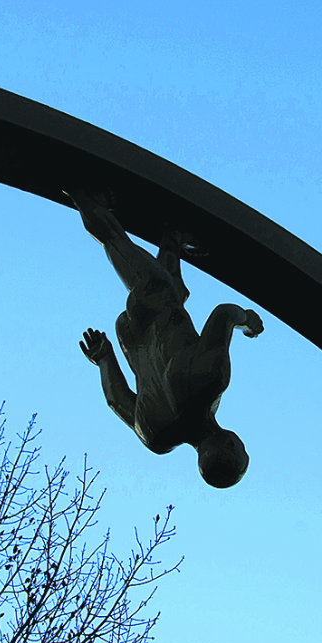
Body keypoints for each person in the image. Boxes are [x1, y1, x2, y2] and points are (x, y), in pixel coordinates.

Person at [64, 189, 262, 488]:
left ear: (233, 445)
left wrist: (248, 319)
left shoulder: (210, 381)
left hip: (155, 303)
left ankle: (81, 192)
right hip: (133, 336)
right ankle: (172, 237)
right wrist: (105, 358)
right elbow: (117, 401)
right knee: (177, 294)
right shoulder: (156, 436)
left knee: (115, 242)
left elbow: (223, 315)